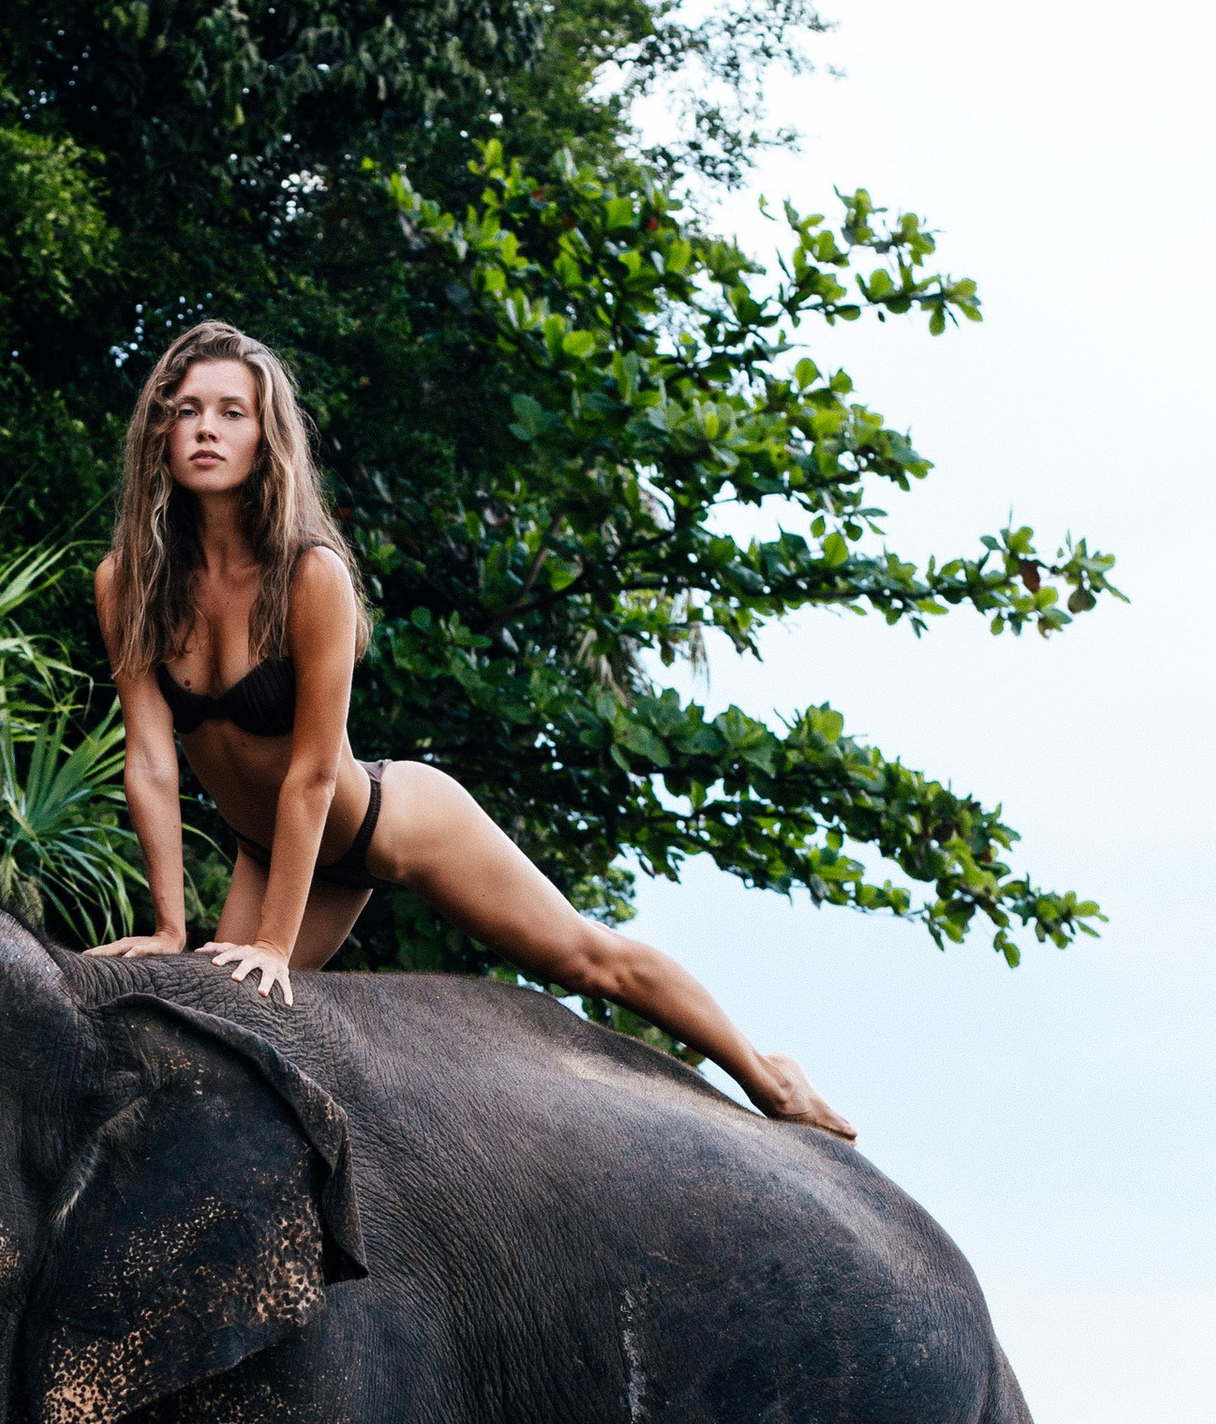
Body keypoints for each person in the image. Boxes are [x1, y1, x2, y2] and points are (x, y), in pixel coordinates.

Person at [88, 318, 856, 1138]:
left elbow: (312, 774)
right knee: (201, 1041)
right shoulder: (129, 580)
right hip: (272, 847)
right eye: (187, 409)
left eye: (232, 412)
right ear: (160, 432)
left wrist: (273, 948)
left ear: (265, 439)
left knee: (582, 959)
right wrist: (171, 928)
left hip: (389, 820)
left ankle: (774, 1081)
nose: (206, 427)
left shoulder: (310, 574)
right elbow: (151, 761)